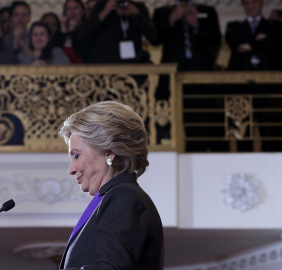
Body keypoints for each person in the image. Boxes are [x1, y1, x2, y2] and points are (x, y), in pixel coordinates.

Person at [58, 101, 164, 269]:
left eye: (76, 156)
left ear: (109, 152)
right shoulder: (115, 197)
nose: (71, 169)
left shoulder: (124, 198)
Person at [152, 0, 222, 71]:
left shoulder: (207, 11)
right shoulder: (161, 12)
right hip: (172, 69)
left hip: (201, 69)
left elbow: (216, 40)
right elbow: (155, 40)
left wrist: (196, 25)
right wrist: (171, 19)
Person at [80, 0, 156, 63]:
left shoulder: (138, 7)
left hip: (132, 64)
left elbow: (153, 37)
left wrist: (136, 14)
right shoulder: (102, 6)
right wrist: (106, 11)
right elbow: (86, 32)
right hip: (106, 63)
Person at [225, 0, 282, 70]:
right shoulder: (234, 26)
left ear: (262, 3)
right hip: (241, 71)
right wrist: (257, 38)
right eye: (246, 3)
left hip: (269, 71)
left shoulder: (275, 25)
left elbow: (274, 43)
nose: (251, 6)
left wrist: (250, 46)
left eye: (254, 2)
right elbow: (234, 40)